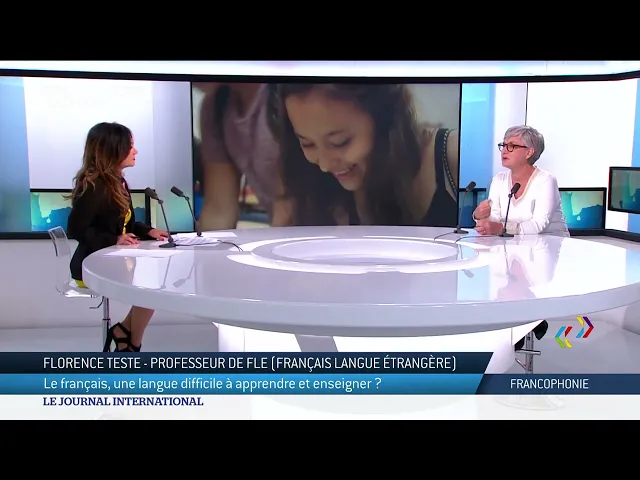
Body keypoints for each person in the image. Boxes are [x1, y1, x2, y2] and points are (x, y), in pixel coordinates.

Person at [266, 83, 460, 227]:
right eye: (307, 143)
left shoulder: (456, 158)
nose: (325, 164)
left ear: (383, 116)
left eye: (340, 142)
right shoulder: (308, 181)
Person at [66, 122, 169, 352]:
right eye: (130, 146)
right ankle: (131, 344)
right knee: (150, 290)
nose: (136, 151)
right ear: (114, 149)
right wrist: (113, 240)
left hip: (112, 260)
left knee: (152, 287)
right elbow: (76, 229)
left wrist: (149, 231)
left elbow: (125, 225)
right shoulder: (95, 186)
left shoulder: (117, 182)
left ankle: (126, 337)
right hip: (90, 267)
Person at [194, 82, 287, 230]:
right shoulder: (216, 107)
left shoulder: (287, 94)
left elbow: (289, 207)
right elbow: (219, 210)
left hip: (315, 229)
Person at [473, 125, 569, 237]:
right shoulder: (499, 179)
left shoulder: (546, 180)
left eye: (511, 146)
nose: (504, 151)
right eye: (503, 145)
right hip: (515, 244)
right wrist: (480, 216)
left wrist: (502, 228)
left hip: (552, 243)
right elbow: (495, 218)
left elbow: (539, 224)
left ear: (529, 152)